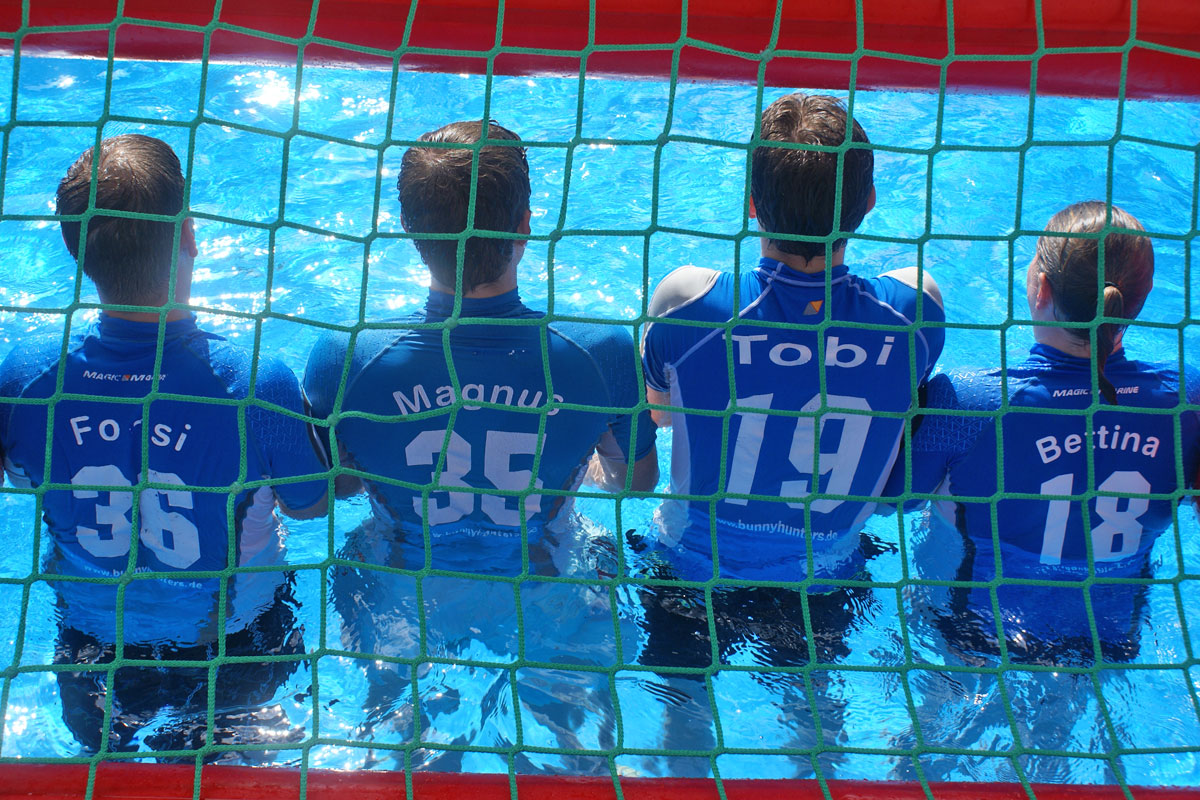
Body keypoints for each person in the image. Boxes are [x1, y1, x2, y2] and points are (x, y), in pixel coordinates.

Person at [304, 120, 657, 769]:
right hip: (548, 597)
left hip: (404, 601)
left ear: (408, 229)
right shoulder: (598, 351)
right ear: (525, 224)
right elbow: (635, 482)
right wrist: (577, 460)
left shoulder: (345, 357)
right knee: (574, 755)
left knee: (398, 751)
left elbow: (338, 488)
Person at [0, 134, 328, 757]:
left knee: (106, 780)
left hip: (92, 652)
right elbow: (310, 504)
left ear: (74, 251)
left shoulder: (27, 378)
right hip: (237, 646)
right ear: (190, 235)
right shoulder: (254, 384)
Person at [638, 92, 945, 668]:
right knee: (813, 717)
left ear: (752, 204)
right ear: (869, 202)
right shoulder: (915, 312)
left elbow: (660, 414)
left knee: (679, 712)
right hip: (822, 580)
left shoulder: (689, 304)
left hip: (692, 573)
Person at [887, 201, 1200, 665]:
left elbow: (891, 499)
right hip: (1109, 637)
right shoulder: (1187, 400)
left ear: (1041, 288)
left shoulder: (969, 403)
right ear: (1146, 293)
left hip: (978, 631)